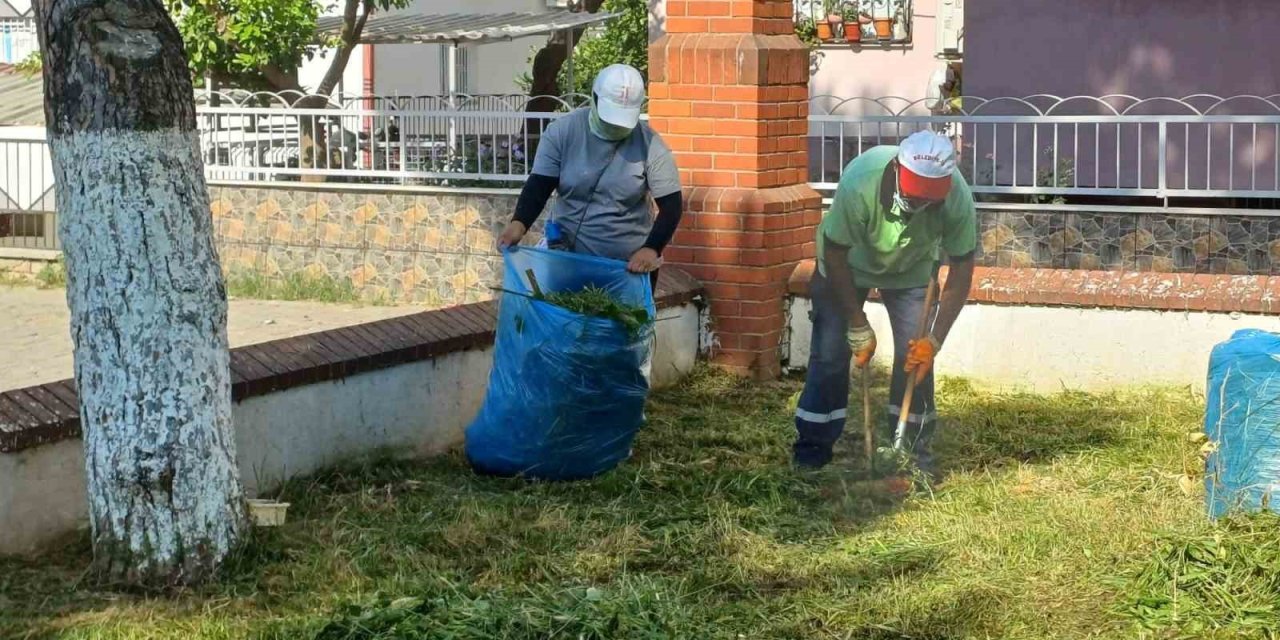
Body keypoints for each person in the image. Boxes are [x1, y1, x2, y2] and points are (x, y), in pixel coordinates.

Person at [793, 130, 977, 481]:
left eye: (930, 198)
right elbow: (835, 252)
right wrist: (856, 321)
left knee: (916, 361)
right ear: (896, 169)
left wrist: (934, 341)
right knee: (830, 355)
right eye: (915, 193)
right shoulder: (861, 182)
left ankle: (911, 449)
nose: (921, 203)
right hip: (846, 267)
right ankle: (812, 449)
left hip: (911, 271)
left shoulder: (957, 197)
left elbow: (962, 269)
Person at [497, 64, 683, 295]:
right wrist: (519, 224)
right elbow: (539, 186)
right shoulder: (562, 132)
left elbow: (672, 206)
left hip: (627, 269)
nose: (615, 126)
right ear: (595, 98)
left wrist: (651, 249)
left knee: (618, 330)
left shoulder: (651, 145)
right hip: (568, 263)